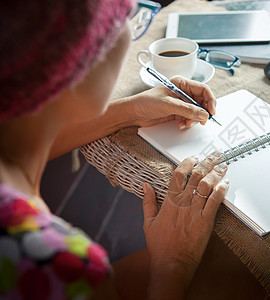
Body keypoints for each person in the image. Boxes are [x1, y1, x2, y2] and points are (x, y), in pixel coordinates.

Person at [0, 0, 229, 299]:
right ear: (74, 62)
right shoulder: (61, 266)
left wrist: (131, 111)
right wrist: (174, 265)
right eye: (126, 16)